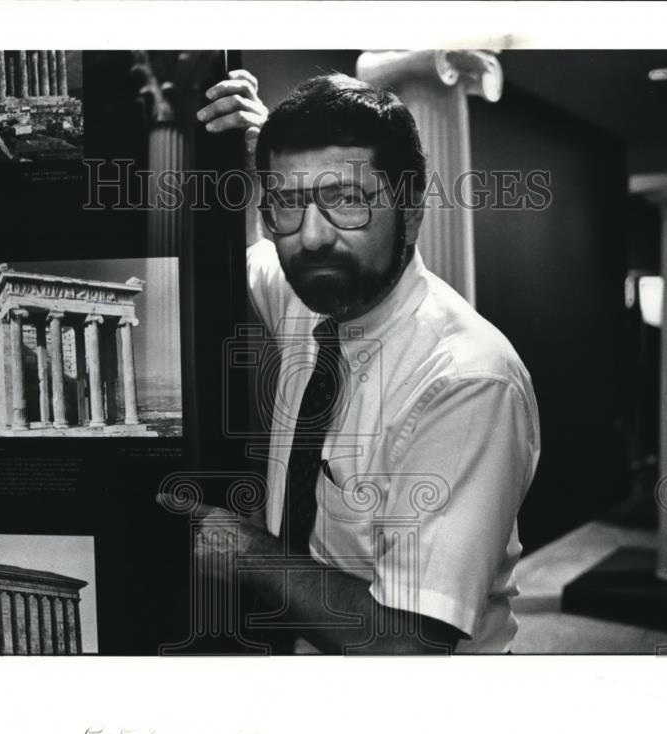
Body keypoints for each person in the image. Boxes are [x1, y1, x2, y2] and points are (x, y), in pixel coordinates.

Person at [161, 69, 540, 654]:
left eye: (346, 200)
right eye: (287, 203)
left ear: (411, 211)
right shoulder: (308, 289)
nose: (311, 237)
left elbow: (408, 648)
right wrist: (256, 142)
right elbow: (205, 269)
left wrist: (250, 557)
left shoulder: (466, 380)